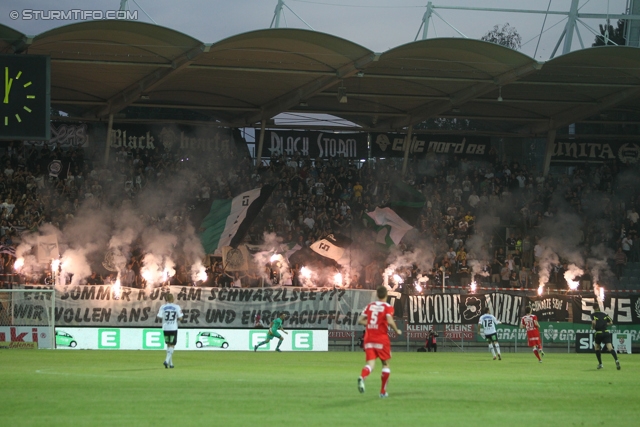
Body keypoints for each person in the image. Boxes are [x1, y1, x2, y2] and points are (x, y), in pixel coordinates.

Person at [357, 286, 402, 398]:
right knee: (385, 364)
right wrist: (397, 330)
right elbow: (390, 320)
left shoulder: (370, 306)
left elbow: (360, 320)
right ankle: (382, 392)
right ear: (386, 295)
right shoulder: (388, 307)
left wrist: (372, 324)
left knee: (370, 364)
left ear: (377, 295)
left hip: (368, 338)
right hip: (381, 338)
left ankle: (362, 377)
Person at [157, 293, 184, 369]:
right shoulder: (176, 307)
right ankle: (166, 360)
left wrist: (165, 318)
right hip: (173, 328)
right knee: (172, 345)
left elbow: (159, 317)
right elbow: (181, 318)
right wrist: (176, 318)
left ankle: (171, 363)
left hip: (165, 328)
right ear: (172, 299)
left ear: (166, 299)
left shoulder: (163, 307)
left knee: (168, 345)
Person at [591, 305, 621, 370]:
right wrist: (604, 324)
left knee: (597, 348)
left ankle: (600, 364)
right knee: (610, 347)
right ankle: (616, 360)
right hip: (606, 332)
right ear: (599, 308)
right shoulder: (604, 314)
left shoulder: (593, 314)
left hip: (598, 332)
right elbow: (611, 322)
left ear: (593, 308)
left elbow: (594, 322)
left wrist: (593, 327)